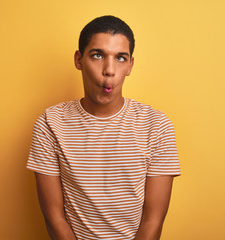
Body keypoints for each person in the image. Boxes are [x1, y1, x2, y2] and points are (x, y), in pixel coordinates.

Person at [27, 15, 181, 240]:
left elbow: (153, 220)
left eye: (120, 58)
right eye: (97, 55)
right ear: (79, 60)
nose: (109, 70)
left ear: (130, 65)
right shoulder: (50, 124)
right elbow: (54, 217)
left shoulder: (156, 125)